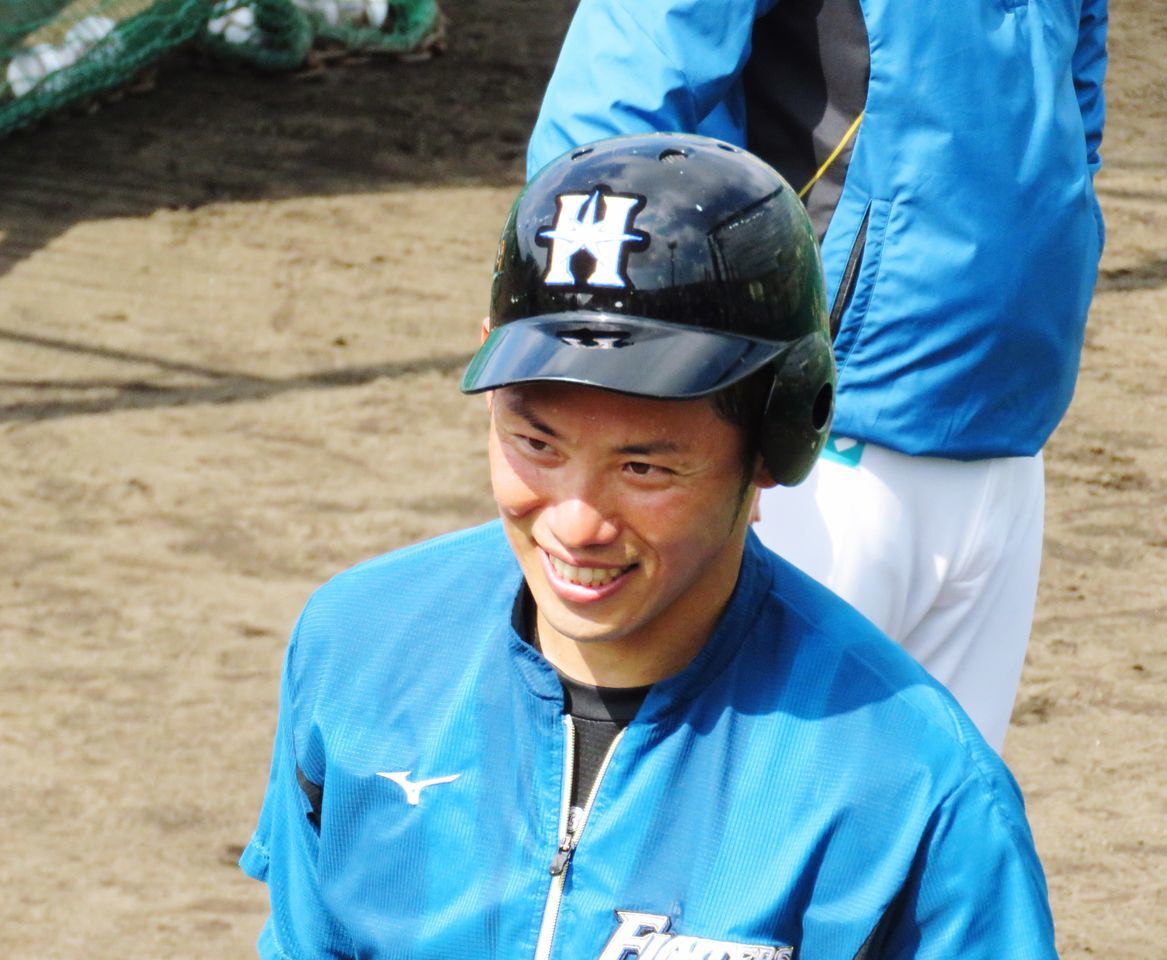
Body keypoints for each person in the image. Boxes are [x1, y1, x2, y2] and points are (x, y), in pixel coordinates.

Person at [240, 133, 1059, 958]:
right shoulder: (359, 648)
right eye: (536, 445)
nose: (575, 522)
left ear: (781, 435)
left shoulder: (908, 783)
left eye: (643, 466)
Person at [526, 0, 1109, 750]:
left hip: (1007, 420)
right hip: (805, 427)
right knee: (718, 813)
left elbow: (1073, 107)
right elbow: (613, 118)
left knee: (937, 825)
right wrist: (642, 400)